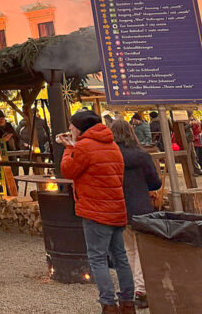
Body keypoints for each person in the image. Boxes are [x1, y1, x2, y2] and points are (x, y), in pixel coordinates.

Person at [60, 110, 134, 314]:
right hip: (116, 208)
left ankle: (108, 304)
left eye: (72, 126)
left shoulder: (84, 147)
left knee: (98, 258)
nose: (70, 129)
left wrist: (68, 148)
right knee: (120, 257)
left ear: (80, 127)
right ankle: (128, 302)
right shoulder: (112, 146)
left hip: (95, 210)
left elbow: (68, 170)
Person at [110, 118, 160, 310]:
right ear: (131, 132)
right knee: (141, 250)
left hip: (118, 207)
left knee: (127, 249)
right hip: (140, 208)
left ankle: (131, 288)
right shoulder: (142, 155)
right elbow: (155, 182)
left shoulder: (110, 156)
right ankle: (141, 289)